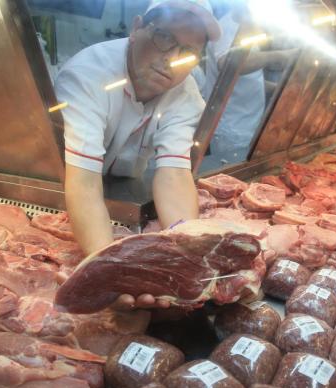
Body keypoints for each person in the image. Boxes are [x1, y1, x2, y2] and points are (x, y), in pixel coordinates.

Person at [54, 0, 220, 310]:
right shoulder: (89, 74)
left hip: (121, 184)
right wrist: (110, 272)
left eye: (188, 52)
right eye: (165, 38)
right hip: (66, 187)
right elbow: (85, 182)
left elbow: (173, 173)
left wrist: (188, 259)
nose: (171, 60)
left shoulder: (187, 93)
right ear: (136, 28)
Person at [204, 0, 295, 164]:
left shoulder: (248, 30)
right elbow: (227, 63)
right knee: (233, 178)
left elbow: (247, 80)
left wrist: (277, 88)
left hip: (247, 124)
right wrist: (279, 55)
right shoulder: (228, 26)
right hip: (232, 128)